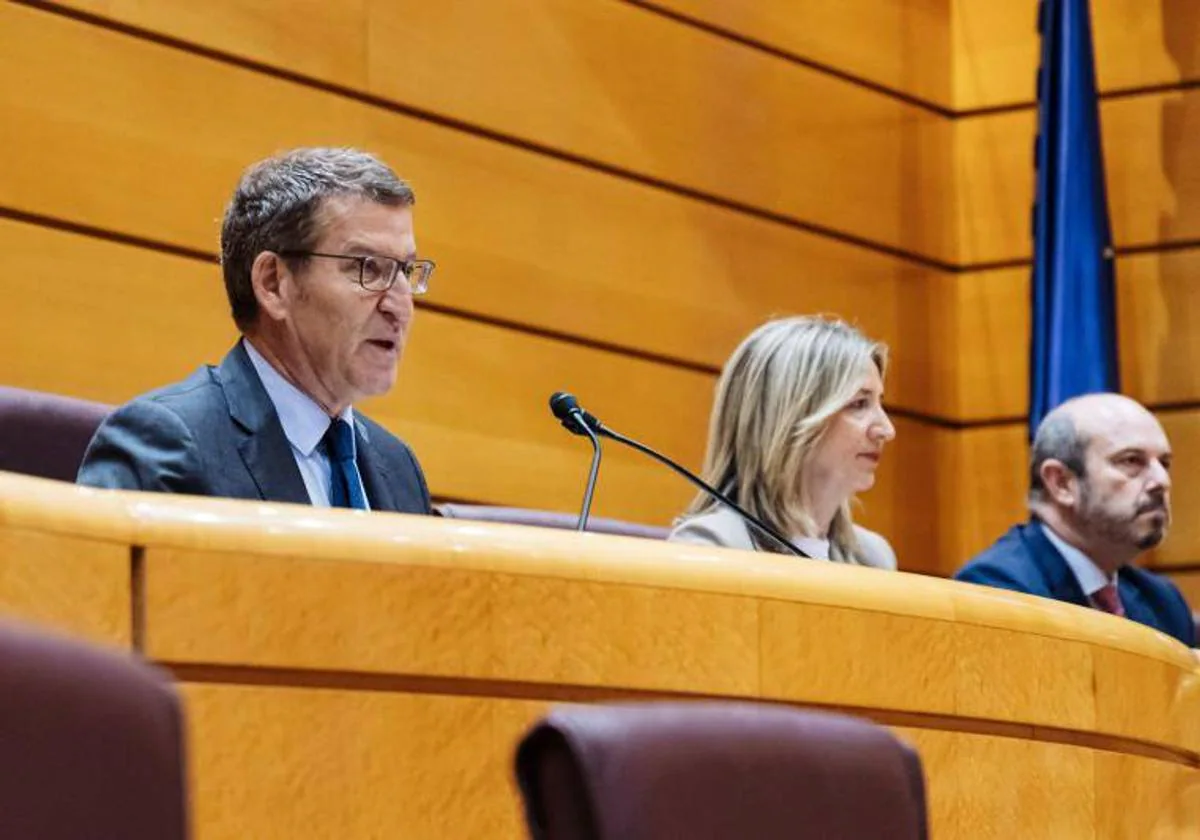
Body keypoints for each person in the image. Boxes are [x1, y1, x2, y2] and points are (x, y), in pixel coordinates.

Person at [78, 147, 432, 514]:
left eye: (405, 271)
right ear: (273, 284)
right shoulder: (167, 447)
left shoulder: (399, 469)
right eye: (368, 268)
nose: (400, 304)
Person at [955, 394, 1194, 646]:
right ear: (1061, 483)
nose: (1162, 481)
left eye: (1164, 463)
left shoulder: (1162, 601)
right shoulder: (998, 591)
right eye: (1131, 461)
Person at [669, 316, 897, 569]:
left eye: (880, 402)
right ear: (789, 417)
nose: (887, 430)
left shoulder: (873, 558)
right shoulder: (711, 546)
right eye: (859, 404)